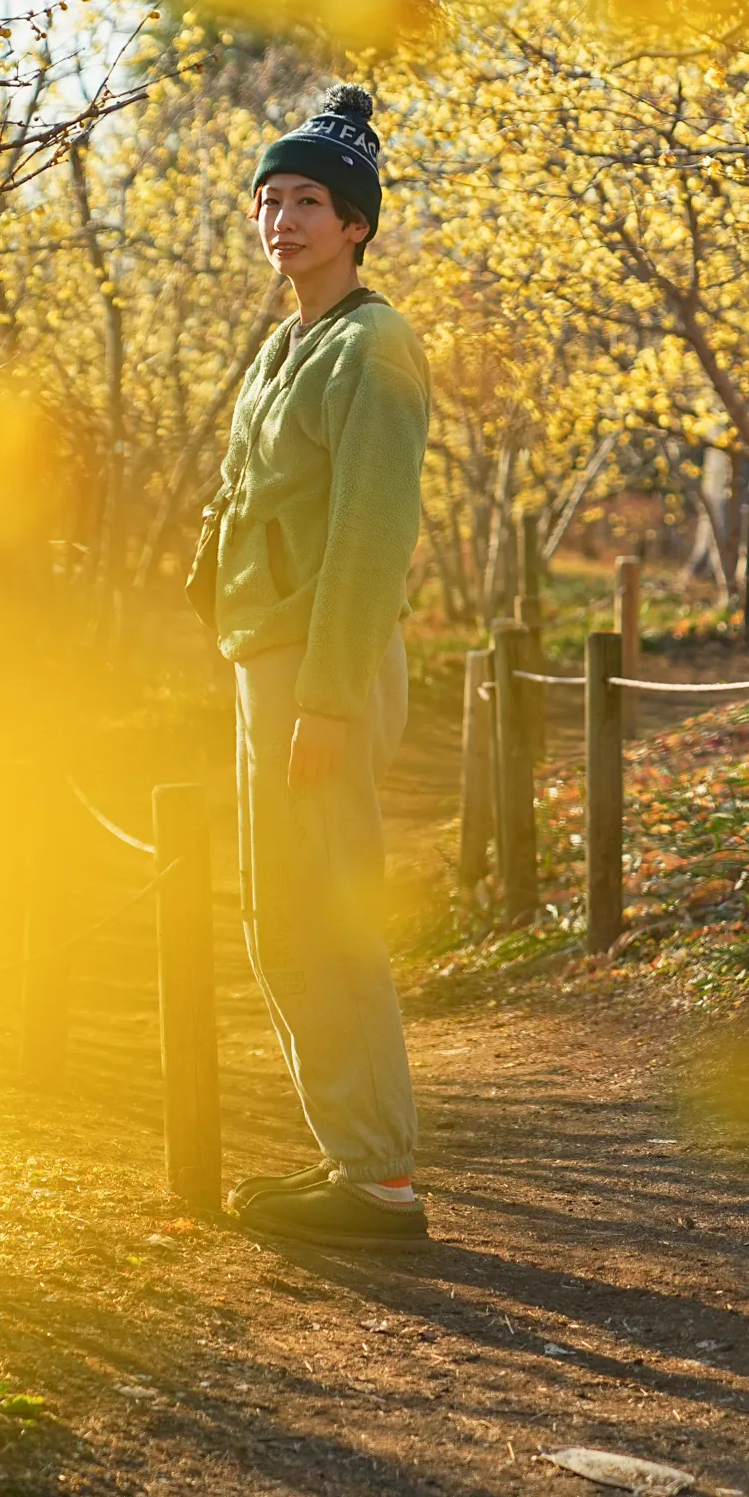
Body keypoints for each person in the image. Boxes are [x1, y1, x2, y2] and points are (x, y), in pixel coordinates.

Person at [192, 83, 432, 1245]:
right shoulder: (291, 343)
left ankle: (377, 1177)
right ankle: (349, 1160)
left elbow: (369, 534)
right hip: (267, 656)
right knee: (277, 912)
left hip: (320, 664)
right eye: (269, 200)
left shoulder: (373, 345)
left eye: (309, 202)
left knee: (320, 911)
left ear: (357, 225)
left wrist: (329, 698)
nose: (282, 219)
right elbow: (253, 494)